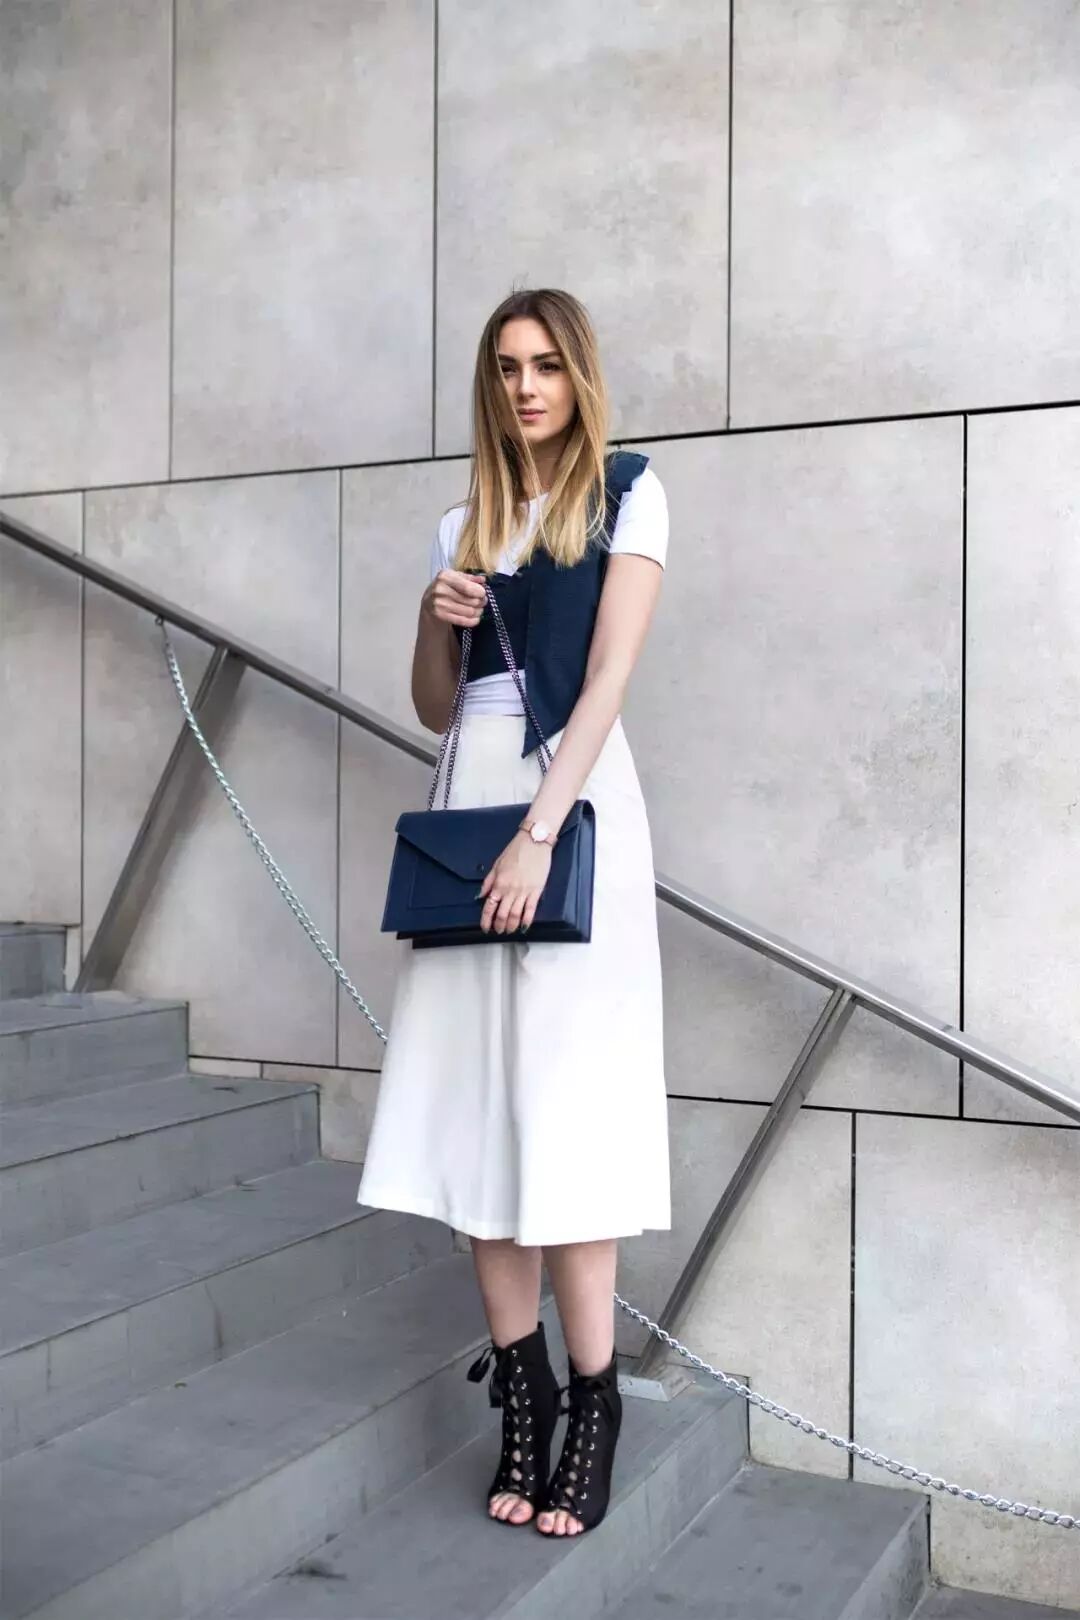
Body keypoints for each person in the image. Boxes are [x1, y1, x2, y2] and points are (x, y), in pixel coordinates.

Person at [357, 287, 671, 1538]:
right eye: (505, 368)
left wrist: (541, 832)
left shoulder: (628, 494)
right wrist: (430, 620)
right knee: (483, 1116)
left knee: (567, 1111)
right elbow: (439, 707)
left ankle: (595, 1404)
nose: (525, 387)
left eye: (544, 365)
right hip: (469, 802)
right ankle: (524, 1400)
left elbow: (608, 678)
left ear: (578, 375)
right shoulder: (465, 520)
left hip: (568, 812)